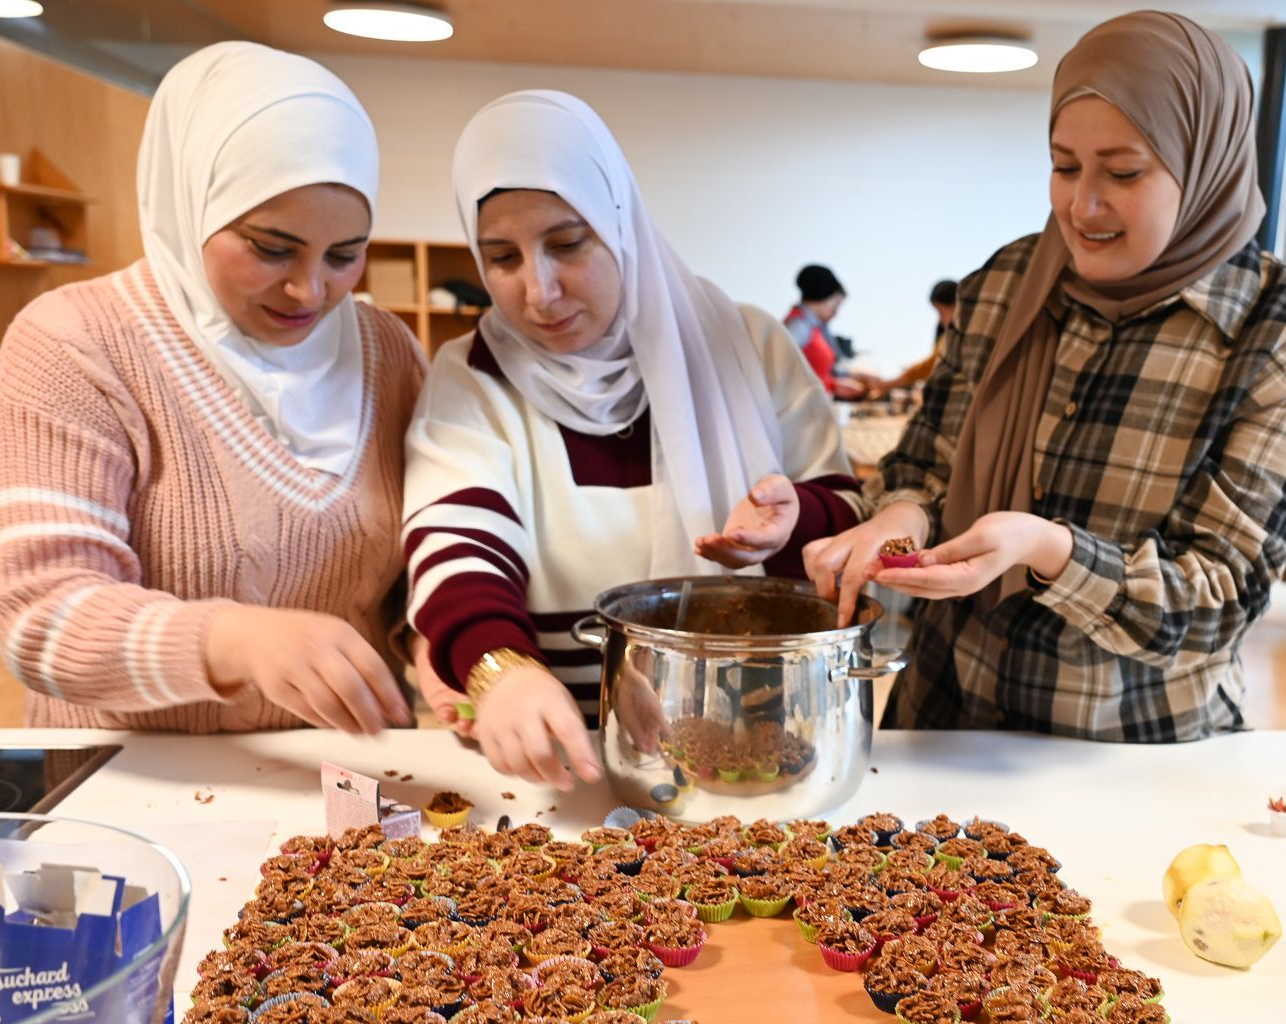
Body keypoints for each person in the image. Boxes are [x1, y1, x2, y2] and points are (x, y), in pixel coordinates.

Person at [803, 11, 1286, 743]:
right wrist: (898, 519)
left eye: (1124, 173)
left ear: (1206, 166)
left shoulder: (1276, 343)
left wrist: (1050, 551)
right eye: (1064, 166)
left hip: (1129, 759)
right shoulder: (1007, 285)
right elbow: (926, 464)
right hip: (945, 720)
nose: (1082, 206)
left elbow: (1218, 603)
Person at [403, 91, 863, 788]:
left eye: (567, 244)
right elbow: (457, 546)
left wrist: (798, 518)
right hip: (559, 753)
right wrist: (499, 670)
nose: (540, 292)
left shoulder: (746, 345)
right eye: (501, 257)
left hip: (760, 746)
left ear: (620, 226)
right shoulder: (471, 376)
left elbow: (844, 516)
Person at [0, 43, 422, 733]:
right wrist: (231, 641)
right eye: (271, 248)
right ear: (191, 205)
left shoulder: (388, 352)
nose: (311, 290)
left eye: (344, 255)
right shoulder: (75, 345)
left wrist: (466, 655)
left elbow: (420, 567)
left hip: (345, 777)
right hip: (130, 780)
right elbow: (42, 617)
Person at [784, 265, 878, 400]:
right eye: (836, 305)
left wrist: (833, 385)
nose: (836, 313)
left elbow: (809, 373)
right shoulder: (799, 325)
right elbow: (783, 372)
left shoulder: (812, 327)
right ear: (824, 297)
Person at [886, 278, 960, 390]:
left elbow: (931, 364)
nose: (940, 319)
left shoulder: (957, 334)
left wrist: (888, 384)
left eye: (940, 312)